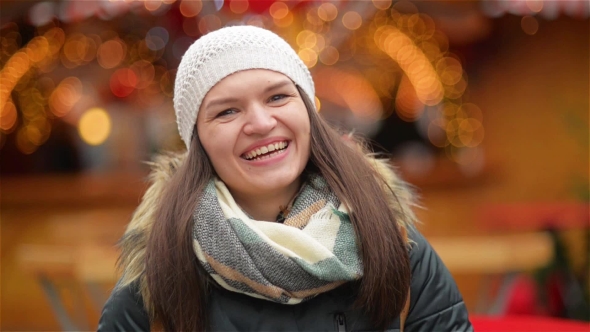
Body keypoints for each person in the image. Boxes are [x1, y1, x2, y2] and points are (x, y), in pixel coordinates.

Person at [98, 25, 472, 331]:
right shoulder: (162, 266)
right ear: (198, 141)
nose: (261, 123)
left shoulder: (391, 239)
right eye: (227, 111)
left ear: (307, 110)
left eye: (277, 98)